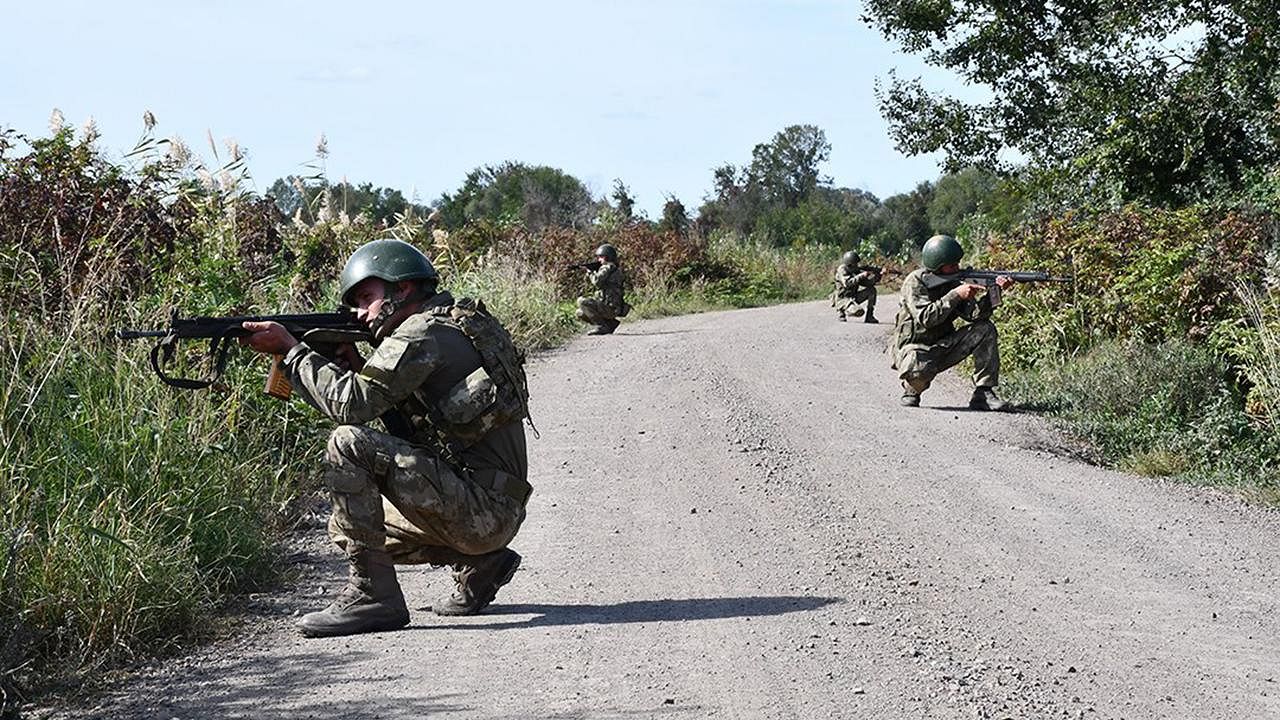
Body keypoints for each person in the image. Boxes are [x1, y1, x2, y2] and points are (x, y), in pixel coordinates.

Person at [240, 238, 532, 638]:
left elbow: (353, 407)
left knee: (347, 443)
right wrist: (358, 365)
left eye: (365, 298)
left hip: (482, 512)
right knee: (345, 527)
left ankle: (373, 597)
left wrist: (291, 352)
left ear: (402, 288)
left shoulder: (420, 334)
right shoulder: (452, 323)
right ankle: (483, 563)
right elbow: (421, 429)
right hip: (492, 509)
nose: (360, 314)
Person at [891, 234, 1014, 411]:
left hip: (944, 344)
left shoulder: (955, 281)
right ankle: (912, 389)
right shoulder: (916, 281)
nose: (957, 268)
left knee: (985, 329)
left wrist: (994, 293)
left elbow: (974, 316)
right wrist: (956, 294)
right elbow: (926, 318)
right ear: (937, 265)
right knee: (919, 368)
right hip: (914, 347)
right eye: (951, 265)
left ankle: (983, 393)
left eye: (958, 263)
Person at [575, 243, 628, 335]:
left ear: (607, 257)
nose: (598, 260)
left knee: (581, 301)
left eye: (601, 257)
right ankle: (610, 324)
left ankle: (601, 326)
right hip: (613, 307)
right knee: (580, 313)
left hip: (610, 307)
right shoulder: (614, 268)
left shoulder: (607, 267)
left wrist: (591, 273)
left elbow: (596, 282)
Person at [831, 250, 879, 323]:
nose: (857, 266)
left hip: (853, 297)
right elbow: (847, 283)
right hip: (842, 299)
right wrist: (862, 275)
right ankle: (842, 312)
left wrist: (877, 276)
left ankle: (869, 316)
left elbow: (867, 283)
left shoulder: (855, 271)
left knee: (871, 290)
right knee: (858, 311)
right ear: (850, 264)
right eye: (855, 264)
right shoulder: (842, 270)